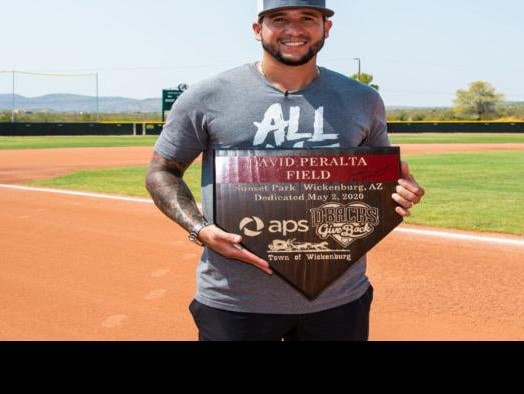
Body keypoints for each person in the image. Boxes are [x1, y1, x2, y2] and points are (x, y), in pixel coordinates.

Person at [146, 0, 424, 341]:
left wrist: (400, 190)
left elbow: (378, 182)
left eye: (308, 18)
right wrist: (199, 229)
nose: (294, 29)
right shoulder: (206, 96)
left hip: (338, 300)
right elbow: (162, 171)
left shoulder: (362, 99)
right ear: (257, 29)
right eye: (279, 19)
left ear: (327, 29)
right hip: (235, 300)